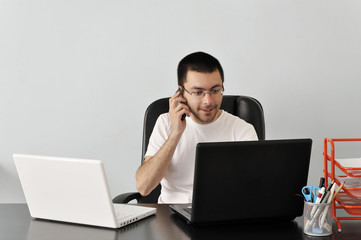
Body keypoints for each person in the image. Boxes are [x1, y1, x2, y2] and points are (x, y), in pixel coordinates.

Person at [136, 51, 258, 203]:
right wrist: (175, 134)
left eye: (215, 90)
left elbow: (253, 189)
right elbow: (144, 187)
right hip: (170, 215)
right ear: (181, 92)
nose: (208, 101)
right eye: (198, 92)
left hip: (223, 213)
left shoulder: (242, 130)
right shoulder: (165, 123)